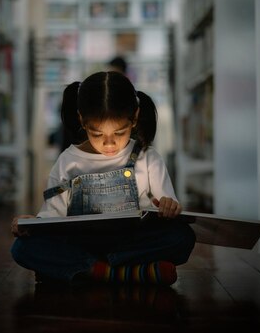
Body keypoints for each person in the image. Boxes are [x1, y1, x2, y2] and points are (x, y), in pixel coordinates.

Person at [11, 71, 195, 286]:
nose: (109, 144)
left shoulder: (147, 158)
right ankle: (127, 272)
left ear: (134, 118)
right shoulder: (68, 161)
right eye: (97, 134)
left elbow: (167, 206)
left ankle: (87, 270)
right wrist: (33, 225)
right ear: (82, 120)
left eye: (119, 133)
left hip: (130, 244)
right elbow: (52, 215)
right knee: (23, 247)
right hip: (83, 244)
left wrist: (168, 207)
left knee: (182, 236)